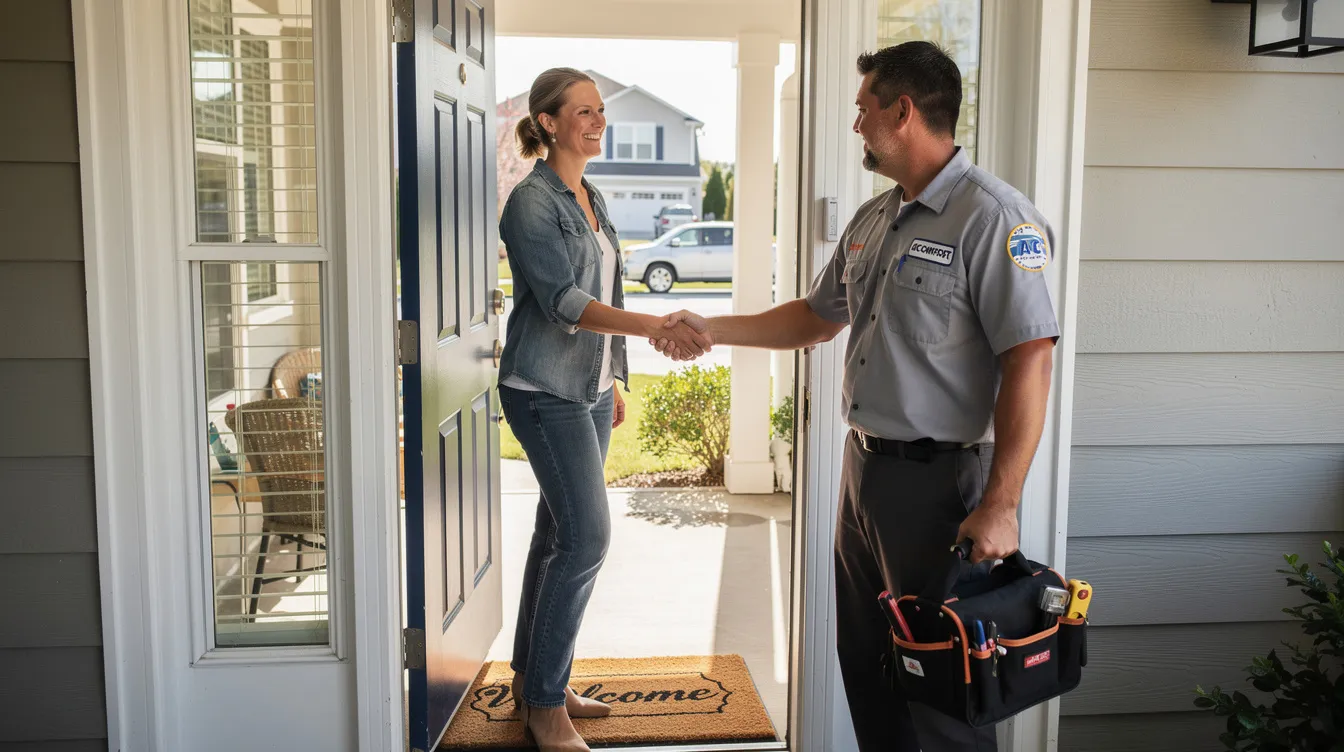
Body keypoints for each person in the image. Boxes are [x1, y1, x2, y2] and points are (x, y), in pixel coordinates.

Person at [652, 42, 1059, 751]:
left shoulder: (995, 218)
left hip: (942, 487)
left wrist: (1001, 503)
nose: (856, 125)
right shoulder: (875, 219)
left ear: (902, 112)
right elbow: (815, 317)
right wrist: (711, 329)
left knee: (943, 691)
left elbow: (1031, 357)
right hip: (864, 474)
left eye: (863, 109)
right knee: (870, 670)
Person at [496, 67, 712, 752]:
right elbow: (564, 302)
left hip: (587, 388)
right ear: (549, 122)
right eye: (583, 111)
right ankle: (544, 708)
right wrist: (653, 328)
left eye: (599, 111)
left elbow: (607, 287)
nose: (598, 122)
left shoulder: (592, 196)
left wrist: (611, 378)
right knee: (586, 539)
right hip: (542, 389)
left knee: (554, 535)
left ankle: (536, 680)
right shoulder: (531, 203)